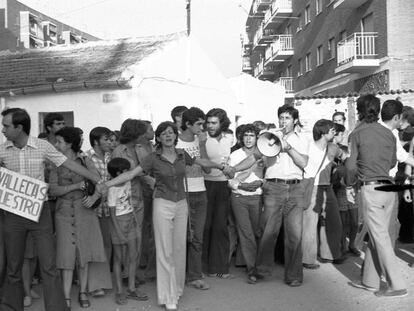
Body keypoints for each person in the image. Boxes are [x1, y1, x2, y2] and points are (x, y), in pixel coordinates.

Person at [0, 108, 100, 311]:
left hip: (40, 211)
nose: (3, 130)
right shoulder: (1, 150)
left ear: (19, 127)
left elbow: (69, 164)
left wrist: (97, 179)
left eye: (6, 126)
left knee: (48, 266)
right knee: (13, 267)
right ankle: (11, 307)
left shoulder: (42, 146)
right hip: (12, 214)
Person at [239, 104, 309, 287]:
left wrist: (289, 149)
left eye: (287, 118)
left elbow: (304, 163)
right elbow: (253, 157)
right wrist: (234, 169)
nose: (283, 121)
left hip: (295, 187)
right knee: (268, 232)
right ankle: (260, 271)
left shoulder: (302, 138)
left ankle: (294, 275)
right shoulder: (269, 136)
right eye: (281, 117)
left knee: (294, 234)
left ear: (295, 120)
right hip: (274, 186)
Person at [346, 95, 407, 298]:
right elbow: (391, 163)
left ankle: (396, 285)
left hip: (370, 188)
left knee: (379, 237)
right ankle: (370, 281)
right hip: (388, 188)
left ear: (360, 111)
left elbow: (351, 166)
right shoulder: (388, 134)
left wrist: (348, 183)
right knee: (376, 235)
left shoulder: (357, 133)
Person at [49, 126, 108, 309]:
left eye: (59, 142)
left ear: (69, 143)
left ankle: (82, 291)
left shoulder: (85, 161)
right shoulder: (54, 163)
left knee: (84, 255)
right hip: (64, 213)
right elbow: (53, 190)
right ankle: (66, 296)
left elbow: (101, 184)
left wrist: (94, 198)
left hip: (84, 212)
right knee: (66, 257)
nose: (55, 145)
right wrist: (75, 187)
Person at [302, 119, 344, 270]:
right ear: (323, 131)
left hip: (328, 187)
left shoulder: (333, 147)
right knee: (309, 225)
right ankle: (307, 258)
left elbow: (345, 156)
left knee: (333, 222)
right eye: (332, 130)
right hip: (312, 187)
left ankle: (330, 254)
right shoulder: (308, 147)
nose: (335, 132)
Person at [176, 107, 210, 290]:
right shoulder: (176, 143)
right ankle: (179, 274)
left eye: (202, 123)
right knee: (181, 237)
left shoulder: (201, 141)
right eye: (198, 123)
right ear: (187, 124)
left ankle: (195, 275)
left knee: (197, 237)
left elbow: (207, 169)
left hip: (200, 191)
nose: (201, 127)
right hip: (182, 193)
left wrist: (202, 145)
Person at [106, 157, 148, 305]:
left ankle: (131, 288)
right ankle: (119, 291)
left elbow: (142, 169)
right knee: (118, 258)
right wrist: (118, 232)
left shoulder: (128, 181)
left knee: (133, 255)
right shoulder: (112, 189)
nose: (129, 173)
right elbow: (111, 213)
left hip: (131, 219)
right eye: (126, 171)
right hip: (118, 223)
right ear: (119, 173)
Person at [228, 124, 264, 284]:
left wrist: (260, 184)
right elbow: (229, 179)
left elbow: (268, 175)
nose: (249, 139)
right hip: (239, 197)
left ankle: (250, 263)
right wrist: (242, 185)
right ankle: (252, 270)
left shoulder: (264, 154)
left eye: (252, 135)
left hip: (257, 197)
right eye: (246, 135)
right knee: (246, 233)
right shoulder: (235, 155)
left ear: (257, 138)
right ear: (241, 138)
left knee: (257, 232)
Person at [203, 108, 234, 279]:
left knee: (221, 227)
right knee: (205, 226)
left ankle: (220, 266)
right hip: (205, 184)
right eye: (208, 122)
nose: (210, 126)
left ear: (222, 123)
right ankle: (203, 267)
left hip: (223, 185)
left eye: (214, 122)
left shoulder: (229, 139)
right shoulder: (202, 139)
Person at [84, 127, 113, 297]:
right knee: (94, 246)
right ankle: (94, 285)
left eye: (110, 139)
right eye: (106, 139)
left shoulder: (112, 156)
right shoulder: (86, 158)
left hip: (109, 206)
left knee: (107, 245)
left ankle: (103, 281)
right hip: (92, 207)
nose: (110, 142)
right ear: (96, 142)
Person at [331, 123, 360, 257]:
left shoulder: (353, 164)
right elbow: (334, 182)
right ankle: (343, 246)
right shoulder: (338, 167)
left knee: (354, 222)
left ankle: (351, 244)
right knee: (343, 223)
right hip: (341, 195)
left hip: (353, 194)